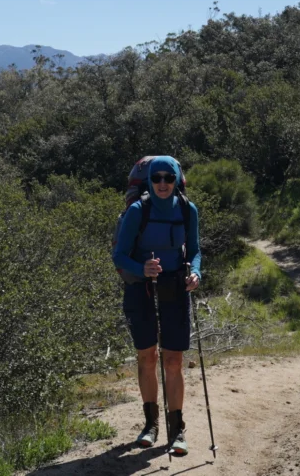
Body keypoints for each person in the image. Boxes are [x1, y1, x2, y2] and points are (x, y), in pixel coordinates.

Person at [112, 155, 201, 456]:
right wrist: (142, 268)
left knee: (173, 361)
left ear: (177, 180)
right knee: (146, 356)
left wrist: (196, 272)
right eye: (157, 177)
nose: (163, 183)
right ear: (149, 180)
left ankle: (177, 431)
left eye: (169, 177)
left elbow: (196, 251)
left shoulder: (189, 211)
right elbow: (119, 256)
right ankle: (150, 425)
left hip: (176, 287)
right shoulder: (138, 211)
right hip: (141, 289)